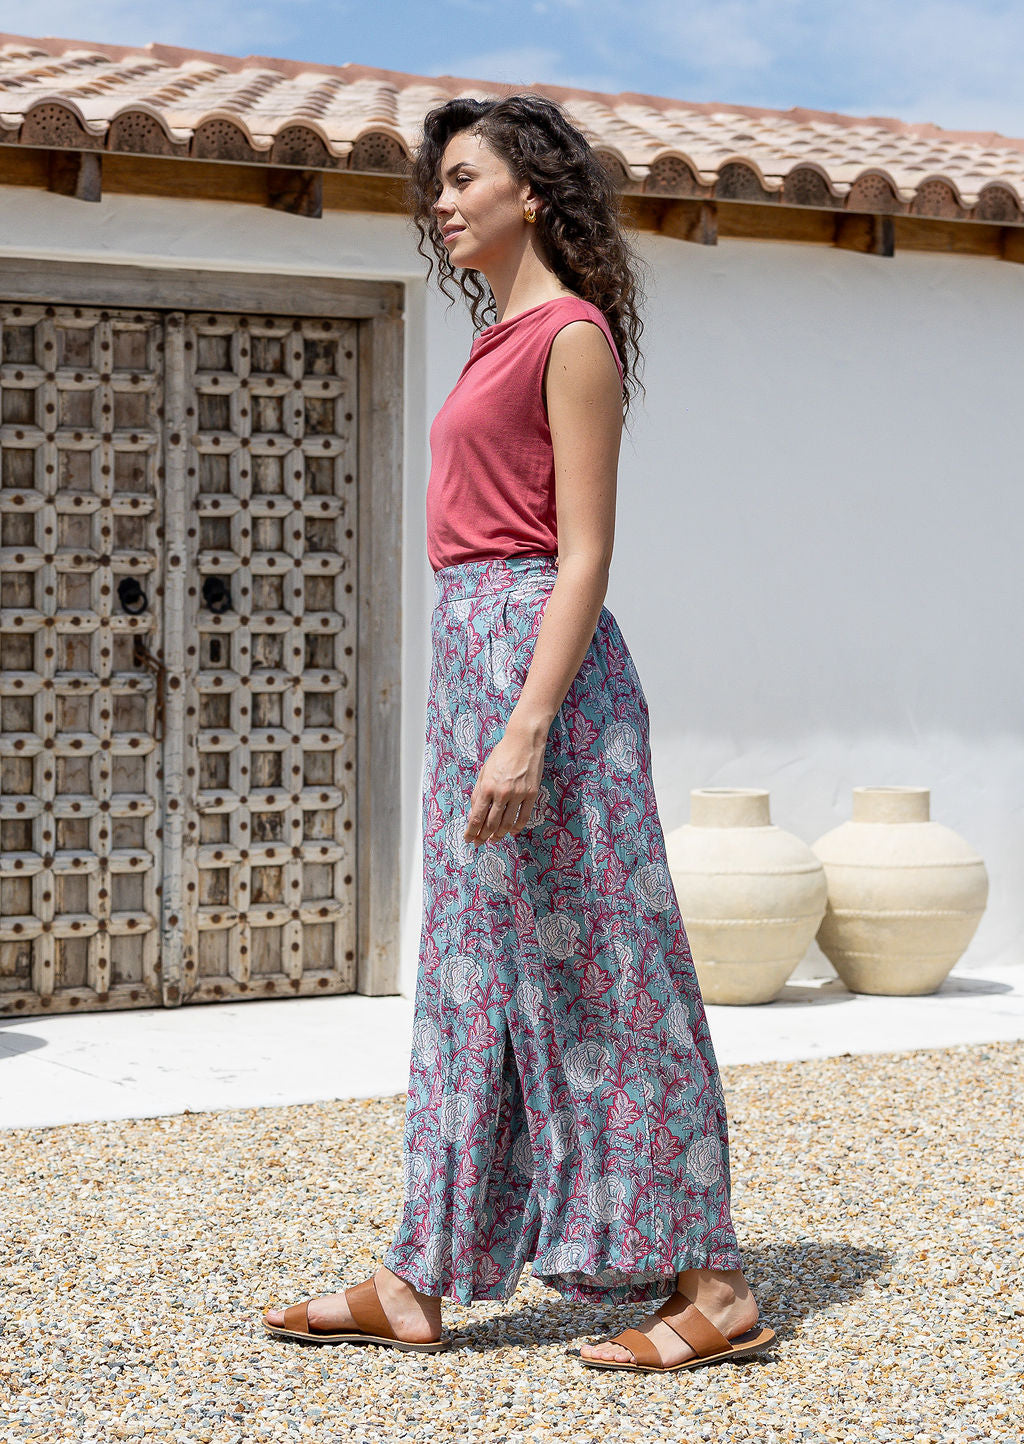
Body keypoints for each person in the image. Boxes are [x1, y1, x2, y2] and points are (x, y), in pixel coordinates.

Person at [263, 92, 775, 1375]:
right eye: (436, 184)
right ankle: (420, 1271)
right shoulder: (493, 336)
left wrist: (527, 727)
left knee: (612, 967)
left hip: (547, 676)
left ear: (531, 191)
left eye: (463, 178)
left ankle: (713, 1281)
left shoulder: (570, 335)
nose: (439, 201)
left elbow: (584, 553)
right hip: (472, 662)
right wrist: (480, 713)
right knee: (470, 978)